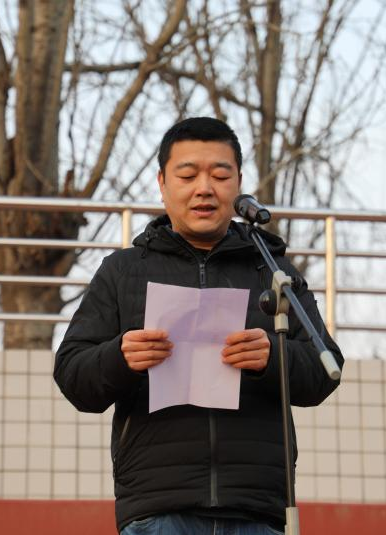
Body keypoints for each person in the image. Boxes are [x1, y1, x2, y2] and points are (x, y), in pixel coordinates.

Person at [54, 117, 343, 534]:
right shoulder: (123, 272)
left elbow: (325, 368)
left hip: (258, 509)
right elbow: (72, 374)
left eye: (220, 176)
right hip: (157, 509)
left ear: (238, 182)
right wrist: (120, 357)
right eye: (188, 175)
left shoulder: (273, 271)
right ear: (162, 183)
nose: (204, 188)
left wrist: (272, 357)